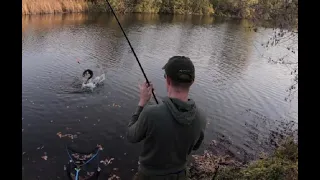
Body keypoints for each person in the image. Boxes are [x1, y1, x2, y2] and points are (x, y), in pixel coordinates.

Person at [127, 56, 207, 180]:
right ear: (193, 81)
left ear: (168, 80)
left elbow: (131, 136)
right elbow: (195, 146)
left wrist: (142, 103)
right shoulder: (201, 116)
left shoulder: (151, 113)